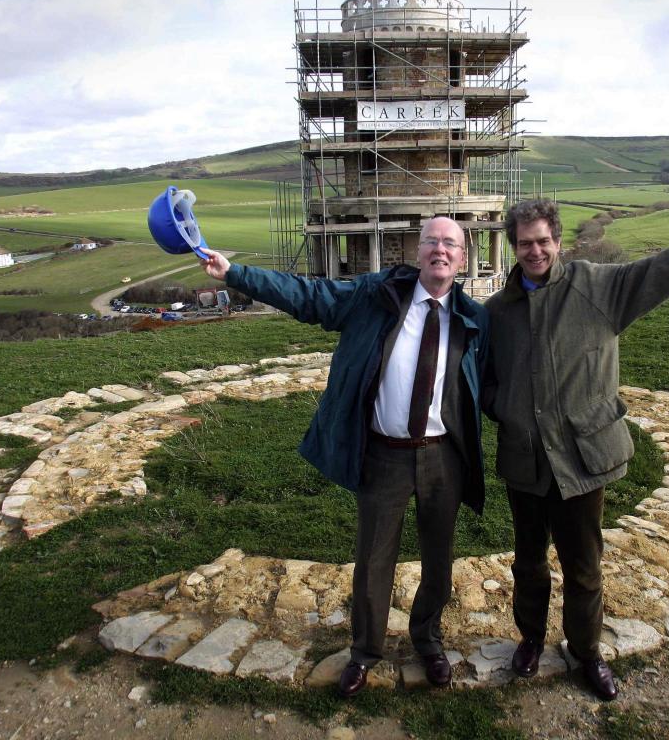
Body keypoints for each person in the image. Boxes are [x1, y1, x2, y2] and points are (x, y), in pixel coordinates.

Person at [483, 178, 669, 702]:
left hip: (581, 459)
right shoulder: (496, 312)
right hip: (525, 460)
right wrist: (506, 409)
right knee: (528, 562)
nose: (535, 251)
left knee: (584, 566)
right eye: (524, 243)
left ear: (557, 240)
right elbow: (482, 379)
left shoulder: (599, 287)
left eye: (543, 241)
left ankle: (585, 651)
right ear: (514, 246)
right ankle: (530, 639)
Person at [198, 217, 488, 697]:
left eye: (451, 244)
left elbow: (493, 381)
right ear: (418, 252)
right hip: (385, 455)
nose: (441, 250)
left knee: (439, 557)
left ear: (462, 258)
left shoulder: (473, 318)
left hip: (443, 457)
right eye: (432, 241)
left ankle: (428, 641)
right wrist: (236, 274)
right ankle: (365, 653)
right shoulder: (376, 296)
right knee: (374, 559)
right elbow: (311, 297)